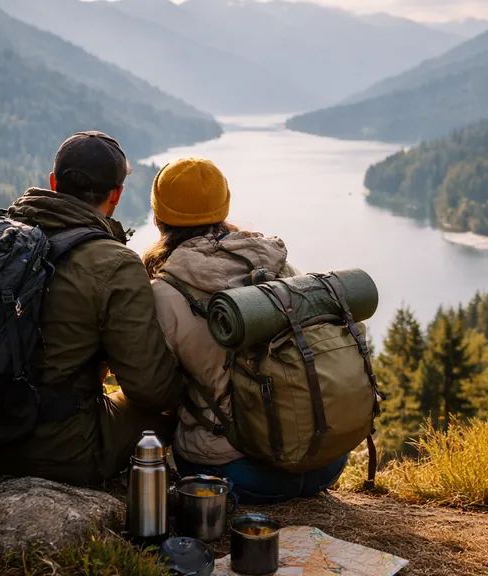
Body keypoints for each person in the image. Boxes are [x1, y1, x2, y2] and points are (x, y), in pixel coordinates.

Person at [0, 131, 186, 485]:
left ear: (53, 183)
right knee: (165, 413)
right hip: (56, 450)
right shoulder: (114, 263)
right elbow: (151, 388)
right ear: (116, 195)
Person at [143, 157, 348, 504]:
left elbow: (152, 389)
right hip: (324, 462)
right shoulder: (275, 263)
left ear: (158, 217)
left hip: (241, 476)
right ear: (224, 208)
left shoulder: (162, 293)